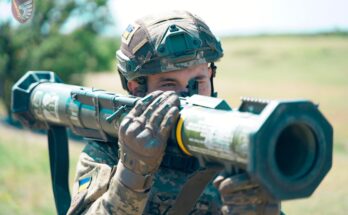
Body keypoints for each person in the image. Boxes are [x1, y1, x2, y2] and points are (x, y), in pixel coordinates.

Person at [67, 10, 281, 215]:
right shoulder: (111, 150)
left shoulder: (231, 145)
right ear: (136, 88)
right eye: (169, 84)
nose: (188, 97)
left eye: (198, 82)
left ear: (211, 75)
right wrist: (131, 173)